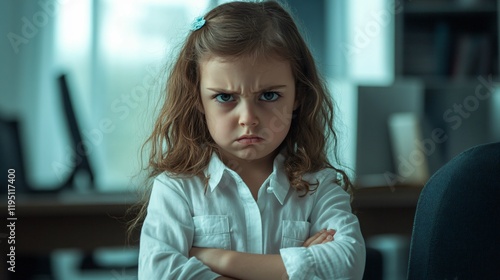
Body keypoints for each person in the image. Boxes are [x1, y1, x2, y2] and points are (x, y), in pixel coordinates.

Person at [130, 1, 366, 279]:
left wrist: (219, 260)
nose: (248, 119)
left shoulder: (319, 186)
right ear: (197, 98)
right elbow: (157, 274)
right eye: (225, 97)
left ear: (298, 95)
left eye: (268, 96)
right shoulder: (176, 190)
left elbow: (347, 265)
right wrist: (293, 269)